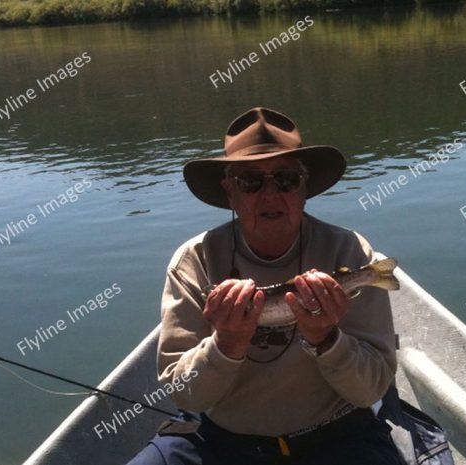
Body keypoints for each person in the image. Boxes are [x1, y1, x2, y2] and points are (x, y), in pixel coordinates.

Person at [126, 107, 402, 465]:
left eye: (285, 179)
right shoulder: (194, 262)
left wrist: (327, 339)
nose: (270, 194)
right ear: (229, 191)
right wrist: (225, 344)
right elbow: (186, 397)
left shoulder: (347, 251)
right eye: (250, 181)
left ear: (305, 188)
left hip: (336, 436)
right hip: (220, 441)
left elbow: (370, 391)